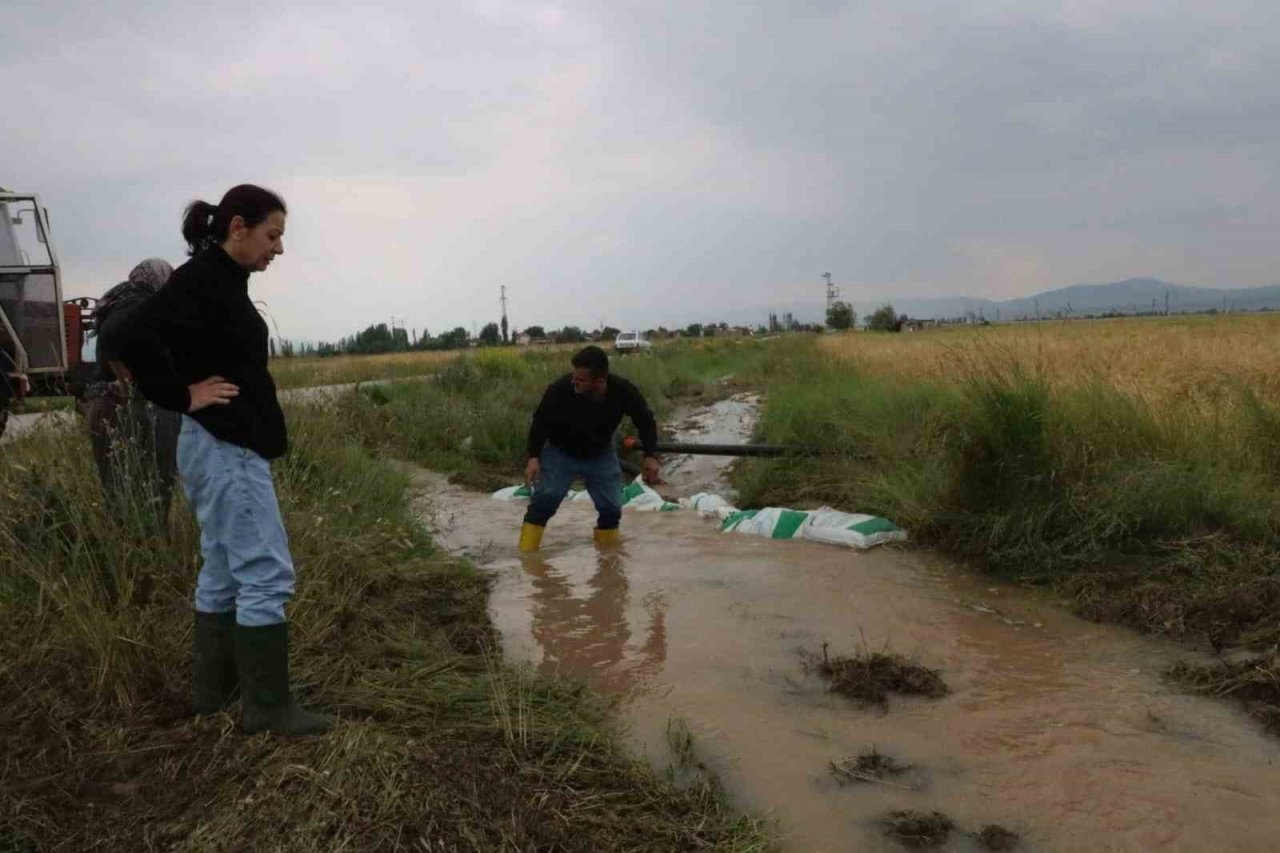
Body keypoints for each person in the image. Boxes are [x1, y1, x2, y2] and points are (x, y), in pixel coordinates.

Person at [121, 184, 331, 736]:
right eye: (272, 235)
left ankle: (213, 693)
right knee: (265, 570)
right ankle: (268, 708)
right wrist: (180, 395)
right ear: (238, 227)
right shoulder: (204, 280)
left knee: (221, 568)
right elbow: (129, 334)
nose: (278, 249)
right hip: (226, 449)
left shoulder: (218, 279)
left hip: (214, 446)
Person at [520, 345, 661, 552]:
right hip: (560, 451)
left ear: (600, 381)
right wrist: (533, 457)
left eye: (581, 379)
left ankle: (608, 564)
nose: (574, 381)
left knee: (612, 508)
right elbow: (540, 422)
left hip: (600, 453)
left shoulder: (623, 391)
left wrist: (650, 455)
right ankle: (527, 559)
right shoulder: (559, 389)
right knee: (545, 500)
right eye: (574, 376)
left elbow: (646, 420)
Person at [85, 259, 180, 531]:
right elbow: (115, 337)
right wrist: (132, 386)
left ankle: (125, 543)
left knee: (116, 483)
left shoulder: (117, 300)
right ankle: (151, 543)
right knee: (155, 479)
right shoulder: (139, 301)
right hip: (129, 406)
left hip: (101, 405)